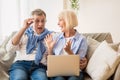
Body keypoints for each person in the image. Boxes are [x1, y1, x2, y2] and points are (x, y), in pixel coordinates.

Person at [6, 8, 50, 80]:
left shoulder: (49, 36)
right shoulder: (24, 34)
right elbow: (9, 49)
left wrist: (50, 47)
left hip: (39, 66)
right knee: (19, 78)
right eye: (37, 21)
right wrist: (24, 28)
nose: (40, 24)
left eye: (43, 21)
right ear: (31, 22)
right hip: (21, 64)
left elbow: (51, 58)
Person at [44, 10, 88, 80]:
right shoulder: (56, 37)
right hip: (58, 72)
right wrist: (50, 48)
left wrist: (69, 51)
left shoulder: (82, 39)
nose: (57, 23)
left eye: (60, 20)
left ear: (68, 21)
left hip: (74, 73)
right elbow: (51, 62)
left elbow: (80, 64)